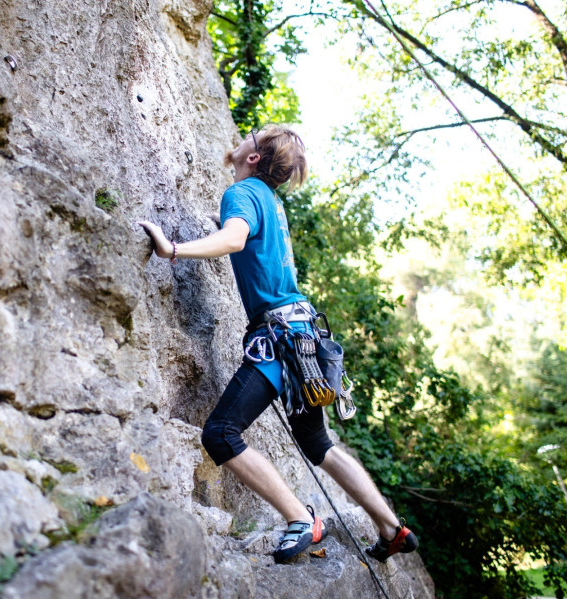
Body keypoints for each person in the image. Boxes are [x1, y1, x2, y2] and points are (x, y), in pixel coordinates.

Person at [138, 125, 418, 564]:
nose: (243, 135)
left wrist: (173, 249)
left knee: (220, 433)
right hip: (305, 335)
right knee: (318, 443)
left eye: (252, 134)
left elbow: (235, 237)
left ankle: (301, 519)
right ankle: (390, 526)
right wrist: (221, 231)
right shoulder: (270, 200)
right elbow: (248, 244)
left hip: (280, 343)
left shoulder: (243, 192)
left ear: (253, 157)